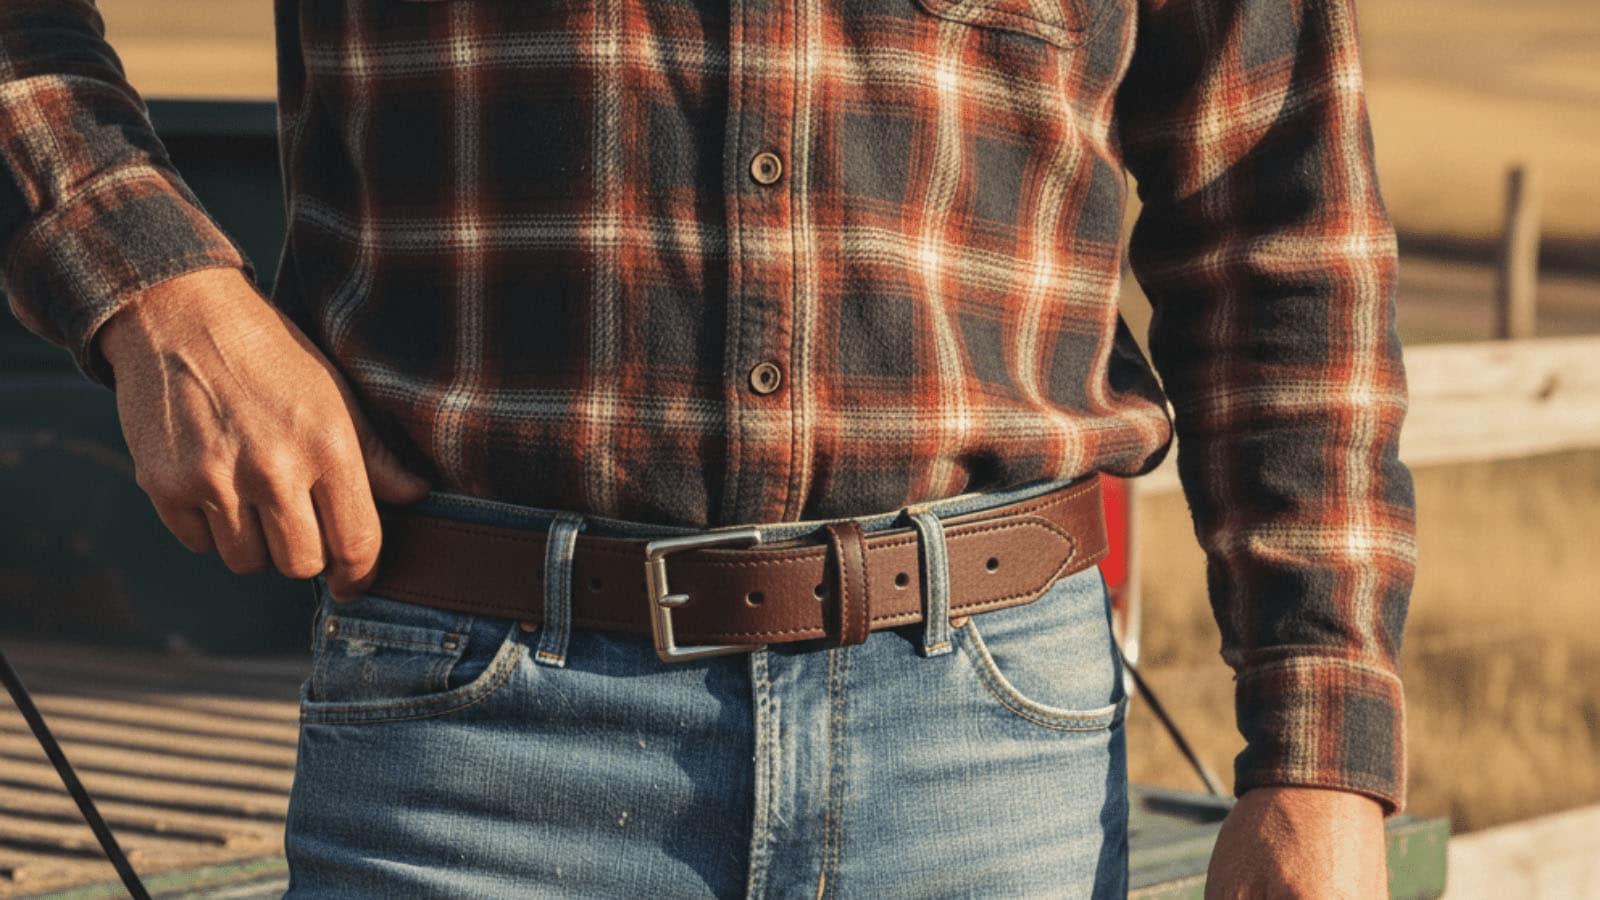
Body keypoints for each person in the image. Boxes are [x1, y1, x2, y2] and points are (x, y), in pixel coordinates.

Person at [0, 0, 1414, 895]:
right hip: (475, 754)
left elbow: (1281, 222)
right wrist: (151, 286)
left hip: (989, 759)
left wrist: (1323, 760)